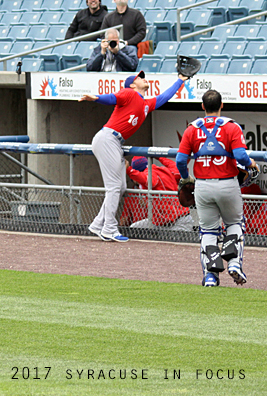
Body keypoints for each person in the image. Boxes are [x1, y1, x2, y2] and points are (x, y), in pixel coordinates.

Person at [79, 70, 188, 242]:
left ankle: (98, 223)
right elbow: (113, 98)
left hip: (114, 141)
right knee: (114, 187)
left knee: (120, 187)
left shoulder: (146, 103)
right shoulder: (130, 93)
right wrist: (97, 98)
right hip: (108, 138)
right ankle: (109, 228)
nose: (144, 79)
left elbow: (165, 96)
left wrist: (180, 81)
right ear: (132, 84)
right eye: (140, 78)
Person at [176, 90, 259, 287]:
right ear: (222, 105)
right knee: (235, 224)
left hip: (203, 186)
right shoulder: (232, 127)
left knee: (208, 231)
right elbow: (240, 156)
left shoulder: (191, 129)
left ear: (203, 107)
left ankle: (211, 277)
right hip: (228, 184)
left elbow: (180, 160)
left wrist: (186, 177)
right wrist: (250, 164)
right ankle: (234, 264)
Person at [120, 157, 194, 231]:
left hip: (179, 221)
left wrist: (129, 170)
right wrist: (159, 156)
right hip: (160, 222)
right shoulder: (162, 170)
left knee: (173, 241)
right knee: (134, 228)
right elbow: (174, 166)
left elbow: (146, 179)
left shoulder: (150, 173)